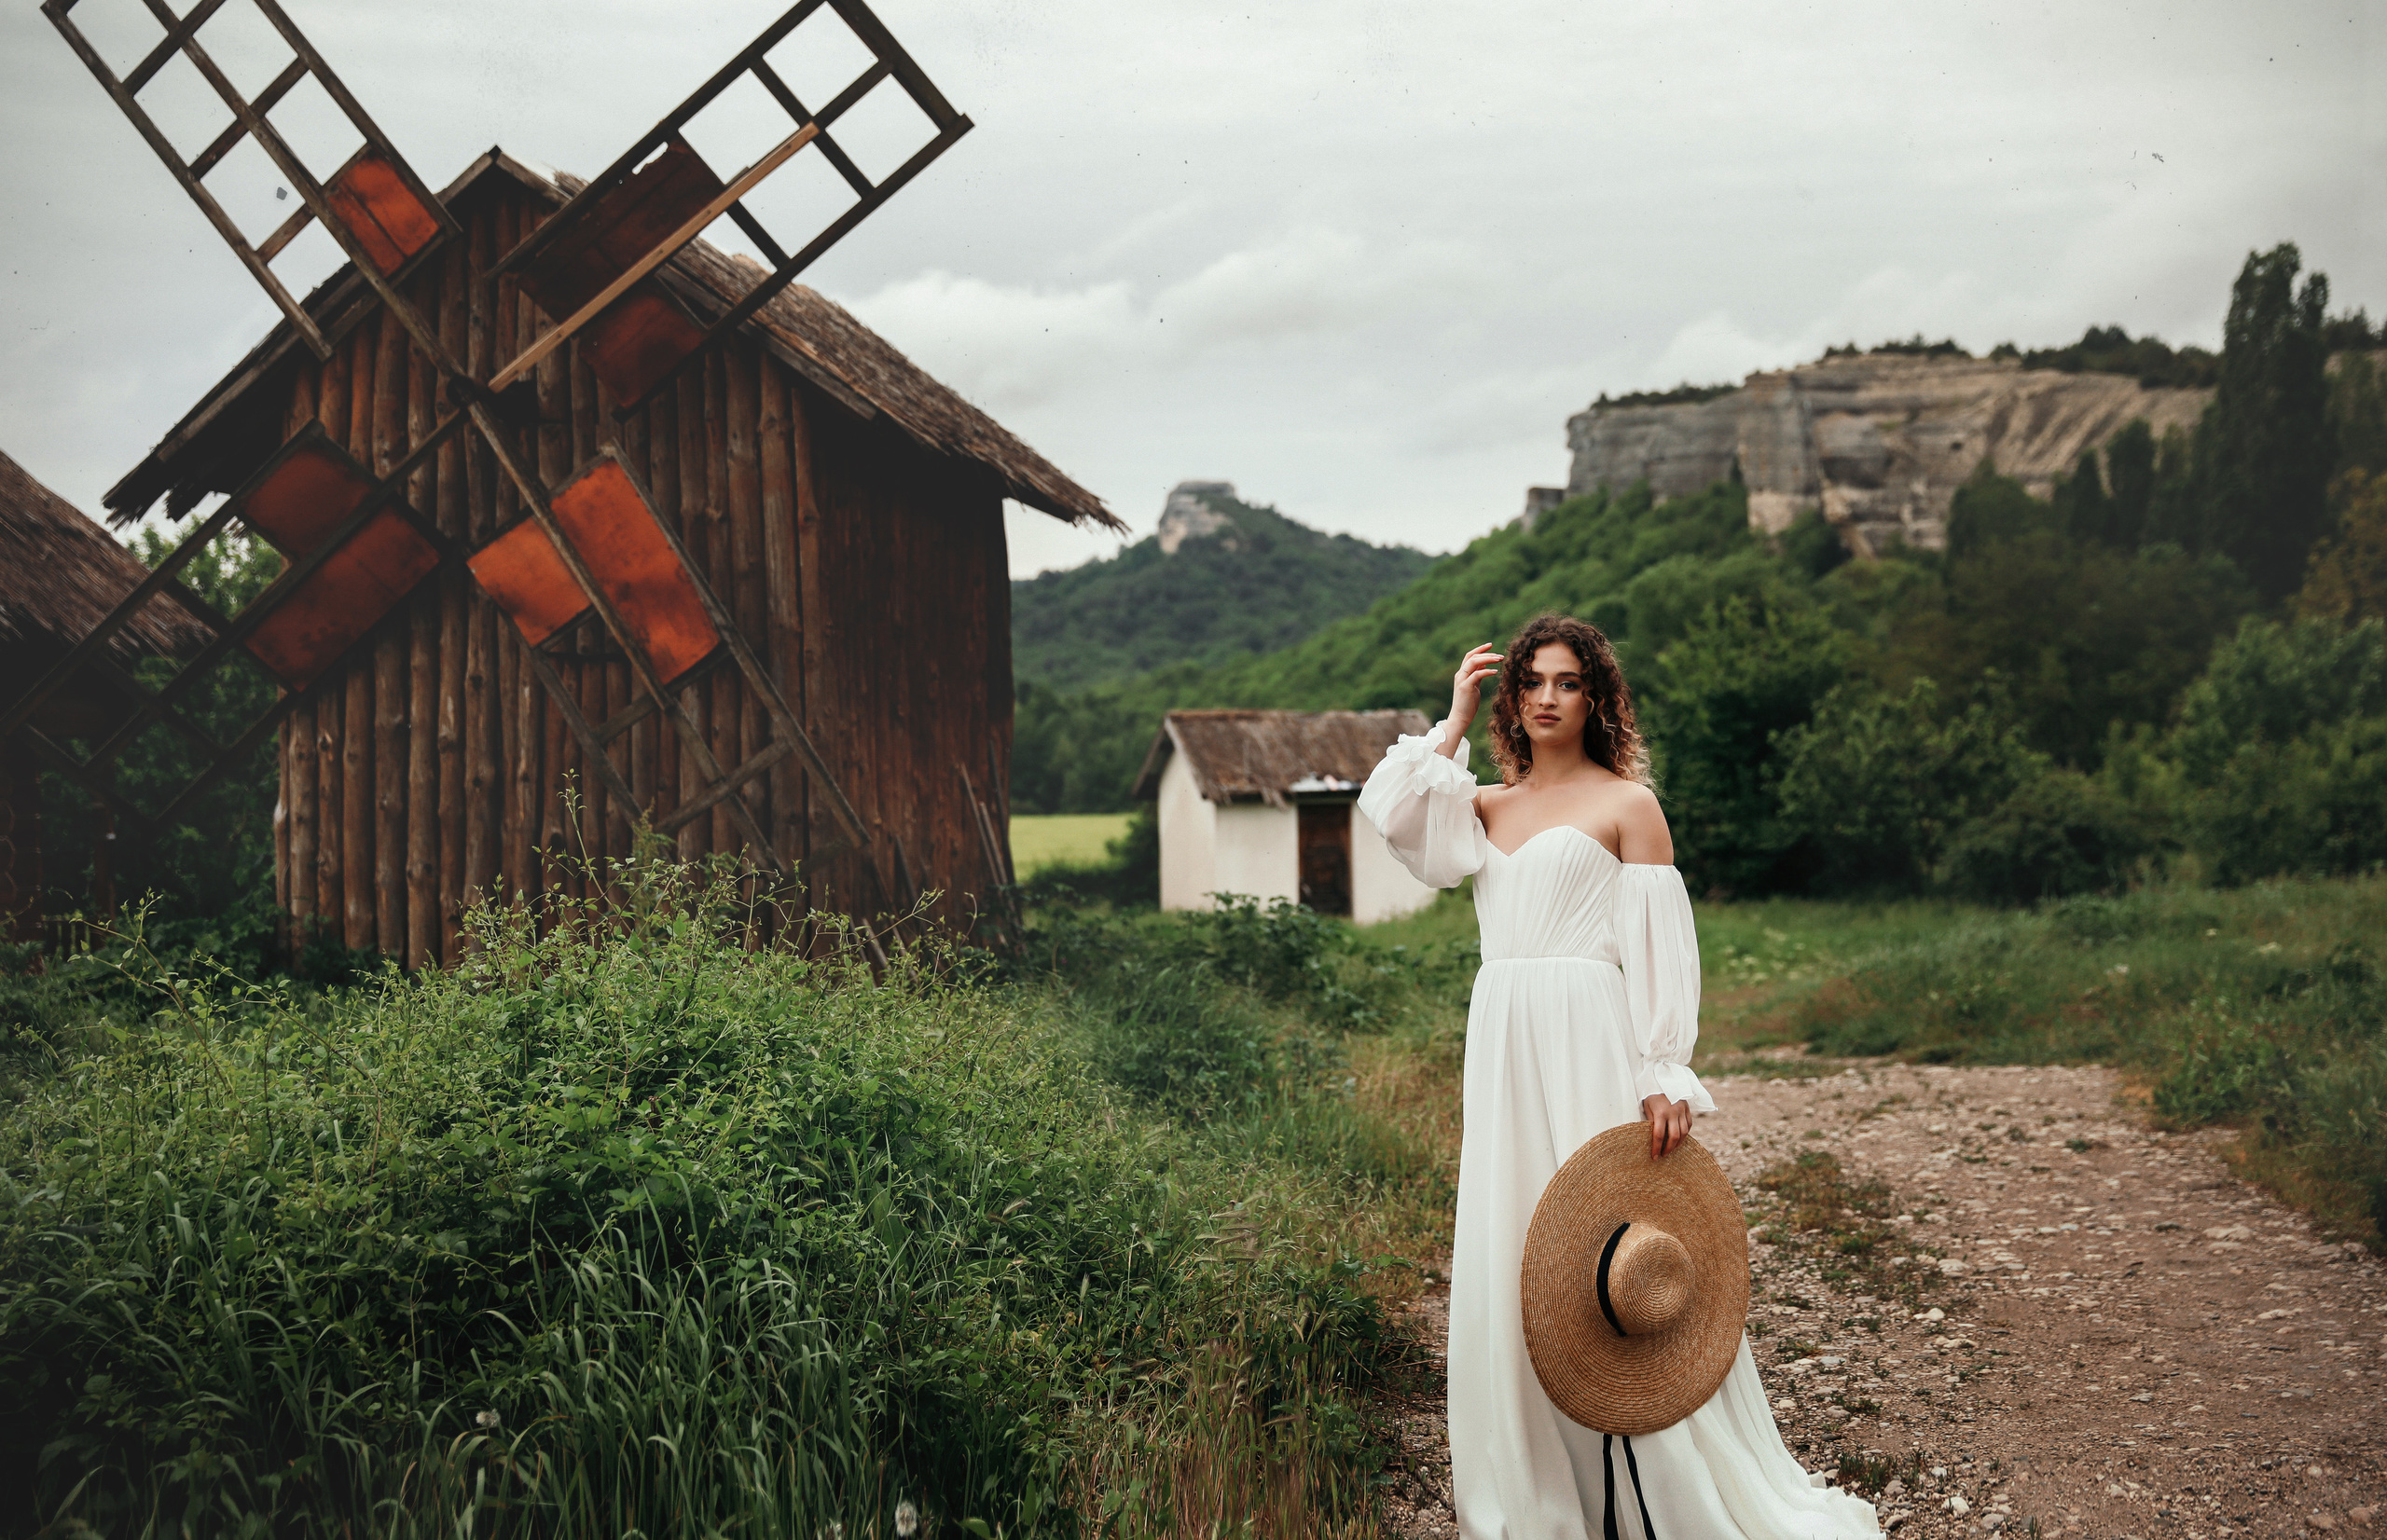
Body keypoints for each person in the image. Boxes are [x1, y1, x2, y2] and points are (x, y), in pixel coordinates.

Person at [1357, 614, 1879, 1540]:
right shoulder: (1478, 803)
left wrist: (1663, 1067)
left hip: (1590, 1036)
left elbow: (1659, 952)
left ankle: (1654, 1478)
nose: (1547, 697)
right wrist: (1450, 717)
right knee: (1515, 1243)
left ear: (1594, 697)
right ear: (1511, 700)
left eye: (1566, 681)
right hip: (1504, 1038)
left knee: (1604, 1247)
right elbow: (1391, 811)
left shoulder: (1628, 803)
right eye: (1531, 683)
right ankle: (1536, 1486)